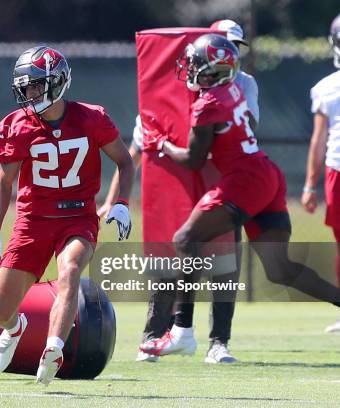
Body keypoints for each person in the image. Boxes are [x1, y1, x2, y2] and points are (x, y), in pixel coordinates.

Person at [140, 33, 340, 356]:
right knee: (279, 268)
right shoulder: (232, 90)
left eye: (195, 64)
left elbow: (193, 160)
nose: (189, 68)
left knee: (184, 239)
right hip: (266, 174)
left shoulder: (207, 104)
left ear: (213, 70)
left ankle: (181, 332)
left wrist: (160, 143)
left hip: (245, 179)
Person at [100, 20, 260, 364]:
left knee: (224, 263)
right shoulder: (165, 96)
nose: (229, 56)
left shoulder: (243, 86)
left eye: (234, 48)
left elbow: (244, 130)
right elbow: (137, 152)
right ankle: (155, 335)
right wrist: (117, 200)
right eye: (222, 46)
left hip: (225, 181)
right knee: (167, 257)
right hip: (177, 185)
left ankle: (220, 342)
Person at [0, 46, 135, 385]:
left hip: (77, 216)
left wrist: (121, 202)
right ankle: (16, 328)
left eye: (35, 85)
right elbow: (4, 184)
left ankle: (54, 347)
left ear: (58, 82)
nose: (28, 93)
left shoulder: (91, 118)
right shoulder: (15, 127)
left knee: (72, 269)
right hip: (32, 221)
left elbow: (125, 161)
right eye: (25, 86)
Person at [301, 13, 340, 333]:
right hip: (337, 168)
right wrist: (310, 185)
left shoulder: (325, 86)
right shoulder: (325, 88)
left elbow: (318, 139)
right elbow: (319, 139)